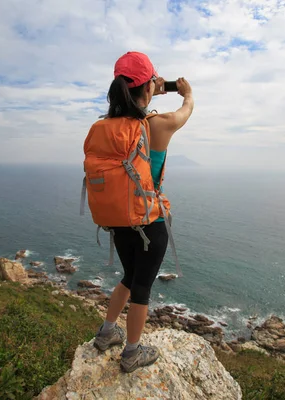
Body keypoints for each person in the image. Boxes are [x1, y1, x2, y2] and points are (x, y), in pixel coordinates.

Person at [91, 51, 194, 373]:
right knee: (142, 288)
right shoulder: (158, 125)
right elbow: (186, 110)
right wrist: (186, 92)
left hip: (119, 220)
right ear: (147, 87)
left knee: (128, 276)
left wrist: (150, 89)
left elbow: (135, 104)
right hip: (150, 223)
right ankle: (133, 352)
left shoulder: (107, 127)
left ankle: (107, 332)